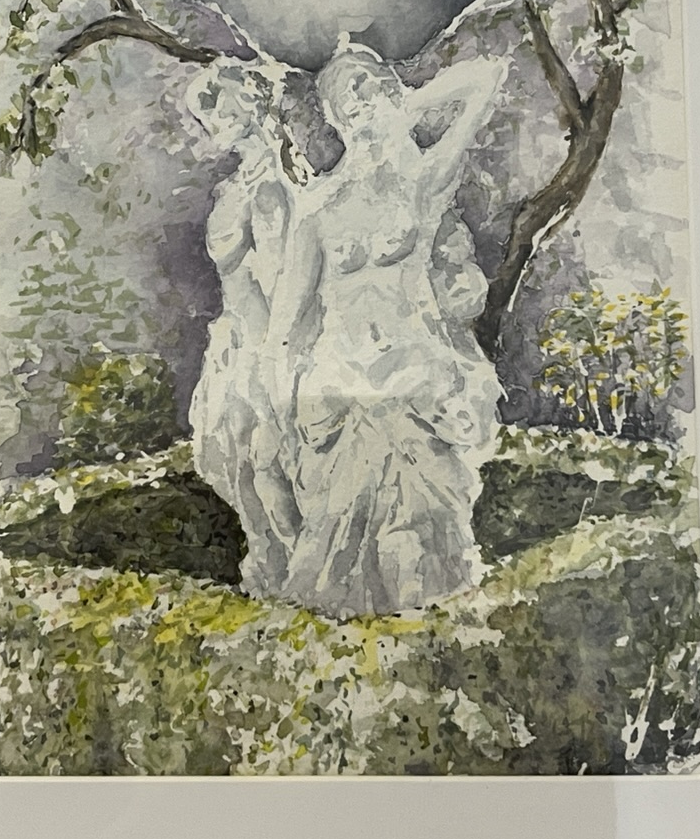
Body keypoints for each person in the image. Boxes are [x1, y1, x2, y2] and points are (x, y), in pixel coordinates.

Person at [267, 39, 505, 618]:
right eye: (348, 94)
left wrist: (407, 103)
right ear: (334, 117)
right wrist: (282, 404)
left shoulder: (421, 184)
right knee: (334, 551)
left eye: (372, 85)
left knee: (420, 543)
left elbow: (487, 78)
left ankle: (426, 642)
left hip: (412, 374)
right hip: (341, 382)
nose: (363, 98)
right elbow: (287, 322)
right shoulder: (318, 207)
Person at [184, 61, 301, 597]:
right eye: (207, 113)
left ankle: (294, 565)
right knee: (234, 460)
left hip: (265, 338)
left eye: (219, 108)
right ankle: (270, 560)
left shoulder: (275, 185)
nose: (212, 120)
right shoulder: (235, 187)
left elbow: (279, 276)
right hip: (235, 335)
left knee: (267, 460)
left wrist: (276, 348)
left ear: (250, 107)